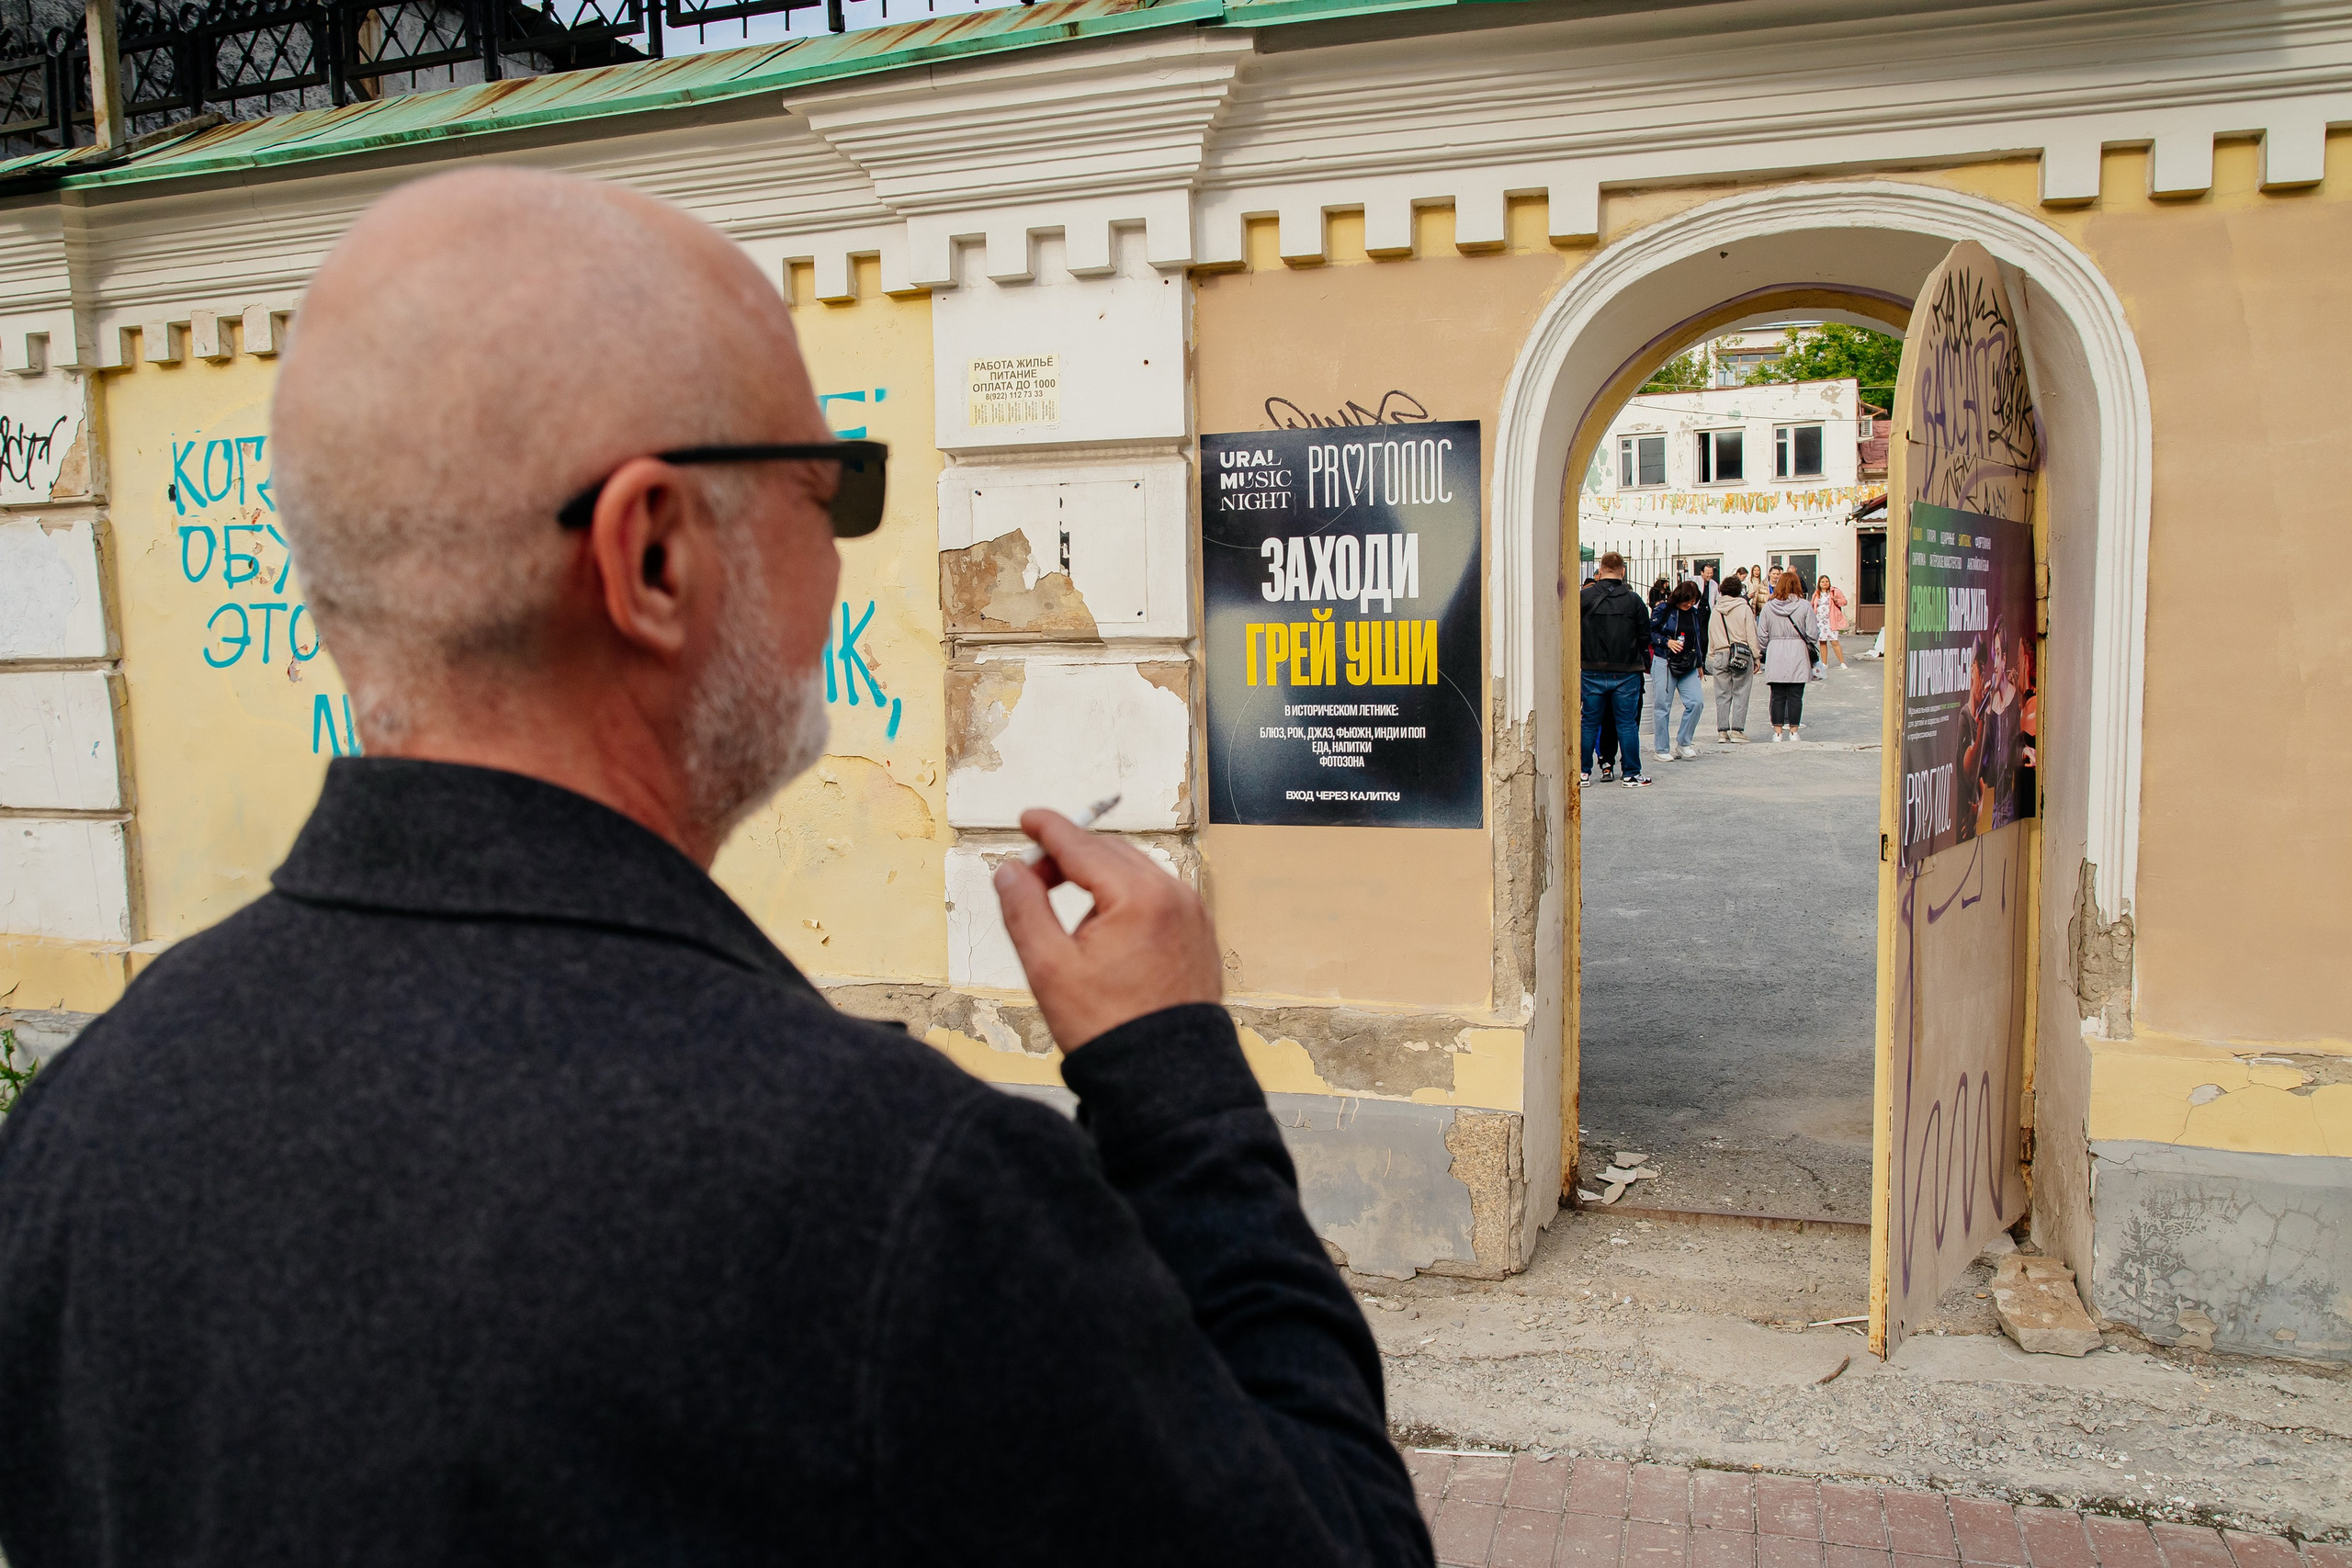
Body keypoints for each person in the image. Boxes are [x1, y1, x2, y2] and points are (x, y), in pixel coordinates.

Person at [0, 171, 1432, 1568]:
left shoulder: (88, 1119)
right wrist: (1179, 1087)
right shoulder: (895, 1195)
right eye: (832, 488)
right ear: (656, 557)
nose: (842, 561)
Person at [1580, 550, 1652, 787]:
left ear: (1599, 571)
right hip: (1626, 670)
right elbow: (1645, 636)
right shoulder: (1634, 600)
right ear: (1623, 571)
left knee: (1589, 723)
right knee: (1627, 724)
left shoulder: (1585, 597)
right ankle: (1631, 773)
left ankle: (1582, 772)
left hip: (1591, 668)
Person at [1648, 581, 1709, 761]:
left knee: (1696, 702)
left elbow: (1697, 637)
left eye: (1693, 601)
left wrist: (1699, 662)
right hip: (1664, 661)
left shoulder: (1693, 613)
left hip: (1688, 663)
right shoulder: (1664, 609)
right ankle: (1661, 748)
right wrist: (1666, 642)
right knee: (1662, 706)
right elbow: (1650, 632)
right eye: (1687, 601)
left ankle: (1684, 742)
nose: (1689, 604)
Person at [1758, 568, 1820, 740]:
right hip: (1798, 652)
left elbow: (1762, 635)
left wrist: (1764, 650)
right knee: (1795, 695)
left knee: (1777, 695)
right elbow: (1813, 634)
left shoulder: (1769, 607)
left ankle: (1777, 732)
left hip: (1775, 651)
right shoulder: (1805, 606)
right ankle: (1794, 731)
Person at [1705, 574, 1762, 742]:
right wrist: (1757, 656)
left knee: (1722, 694)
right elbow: (1751, 633)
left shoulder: (1716, 610)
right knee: (1741, 692)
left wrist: (1712, 654)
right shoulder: (1744, 608)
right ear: (1739, 590)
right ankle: (1737, 730)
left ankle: (1722, 731)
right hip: (1741, 654)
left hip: (1721, 653)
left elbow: (1711, 633)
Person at [1812, 573, 1849, 670]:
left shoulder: (1834, 591)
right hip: (1819, 621)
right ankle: (1824, 663)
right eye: (1822, 582)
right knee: (1822, 642)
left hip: (1831, 620)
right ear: (1819, 583)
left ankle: (1842, 662)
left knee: (1834, 641)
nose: (1825, 583)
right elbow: (1813, 606)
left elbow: (1844, 602)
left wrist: (1836, 600)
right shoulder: (1816, 594)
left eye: (1826, 581)